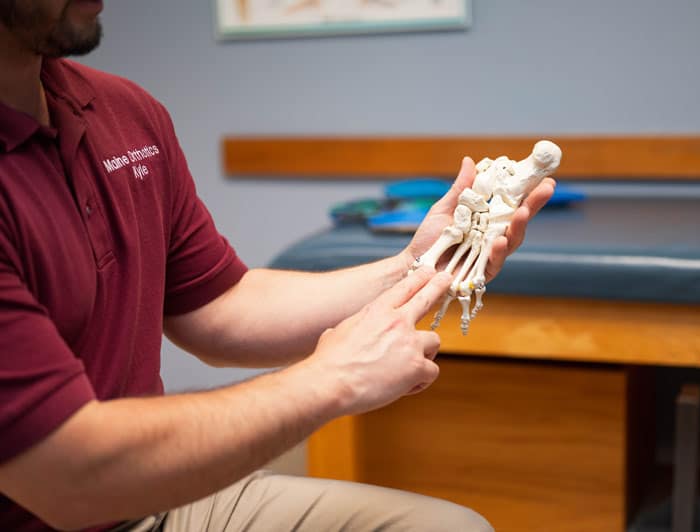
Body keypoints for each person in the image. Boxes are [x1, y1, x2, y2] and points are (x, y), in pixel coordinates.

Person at [0, 1, 556, 531]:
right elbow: (67, 476)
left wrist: (421, 262)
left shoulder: (124, 114)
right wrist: (332, 379)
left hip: (141, 505)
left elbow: (219, 308)